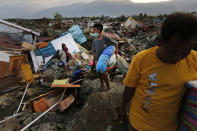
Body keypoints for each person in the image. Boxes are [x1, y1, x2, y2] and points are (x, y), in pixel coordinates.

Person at [120, 12, 197, 131]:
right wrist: (123, 108)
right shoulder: (142, 59)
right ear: (160, 41)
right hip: (138, 124)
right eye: (172, 51)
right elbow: (130, 87)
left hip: (169, 127)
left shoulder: (194, 60)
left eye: (185, 51)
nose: (178, 56)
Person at [92, 23, 118, 92]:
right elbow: (94, 52)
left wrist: (116, 54)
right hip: (98, 59)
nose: (93, 31)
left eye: (94, 29)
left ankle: (108, 87)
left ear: (99, 30)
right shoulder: (94, 41)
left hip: (104, 59)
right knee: (99, 73)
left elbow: (116, 44)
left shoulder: (105, 38)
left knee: (103, 72)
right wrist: (94, 61)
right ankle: (102, 86)